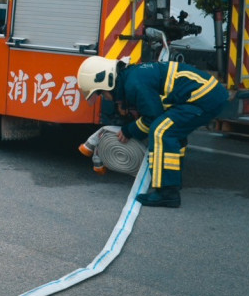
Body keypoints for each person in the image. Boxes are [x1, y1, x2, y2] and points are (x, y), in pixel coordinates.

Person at [76, 56, 227, 208]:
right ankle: (171, 181)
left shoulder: (134, 83)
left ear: (107, 82)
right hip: (205, 95)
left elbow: (152, 116)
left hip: (203, 98)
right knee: (172, 132)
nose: (105, 97)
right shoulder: (132, 77)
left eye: (101, 93)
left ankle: (167, 193)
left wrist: (129, 131)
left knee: (161, 131)